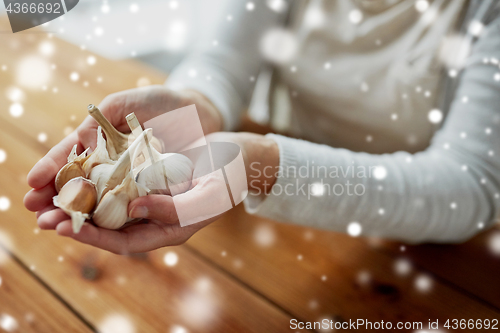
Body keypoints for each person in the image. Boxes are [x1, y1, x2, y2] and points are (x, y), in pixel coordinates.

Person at [24, 0, 500, 254]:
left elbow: (469, 184)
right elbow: (225, 63)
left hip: (433, 250)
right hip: (291, 224)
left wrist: (263, 166)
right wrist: (196, 104)